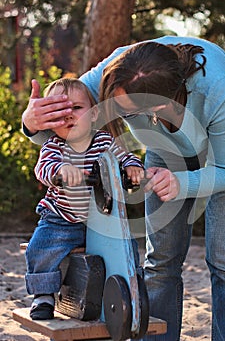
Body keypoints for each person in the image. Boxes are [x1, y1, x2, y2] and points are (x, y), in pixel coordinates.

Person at [22, 36, 225, 340]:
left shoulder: (215, 89)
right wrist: (31, 122)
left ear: (160, 107)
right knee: (161, 258)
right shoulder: (117, 70)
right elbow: (64, 124)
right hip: (166, 145)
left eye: (126, 111)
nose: (116, 113)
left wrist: (181, 182)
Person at [25, 77, 144, 320]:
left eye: (76, 108)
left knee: (126, 244)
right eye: (61, 111)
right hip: (61, 216)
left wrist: (133, 168)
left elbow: (124, 156)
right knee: (42, 246)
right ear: (50, 119)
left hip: (98, 218)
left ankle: (133, 282)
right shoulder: (53, 146)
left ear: (93, 114)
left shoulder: (104, 141)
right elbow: (43, 169)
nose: (69, 116)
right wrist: (60, 172)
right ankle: (43, 294)